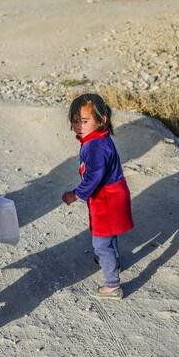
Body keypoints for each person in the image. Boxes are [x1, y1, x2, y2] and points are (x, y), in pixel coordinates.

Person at [62, 93, 134, 300]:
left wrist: (75, 194)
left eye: (84, 121)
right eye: (75, 121)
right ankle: (113, 259)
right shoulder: (99, 138)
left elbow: (94, 176)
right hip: (113, 193)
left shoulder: (94, 146)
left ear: (102, 120)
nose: (78, 126)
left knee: (101, 242)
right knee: (108, 233)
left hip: (107, 197)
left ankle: (113, 285)